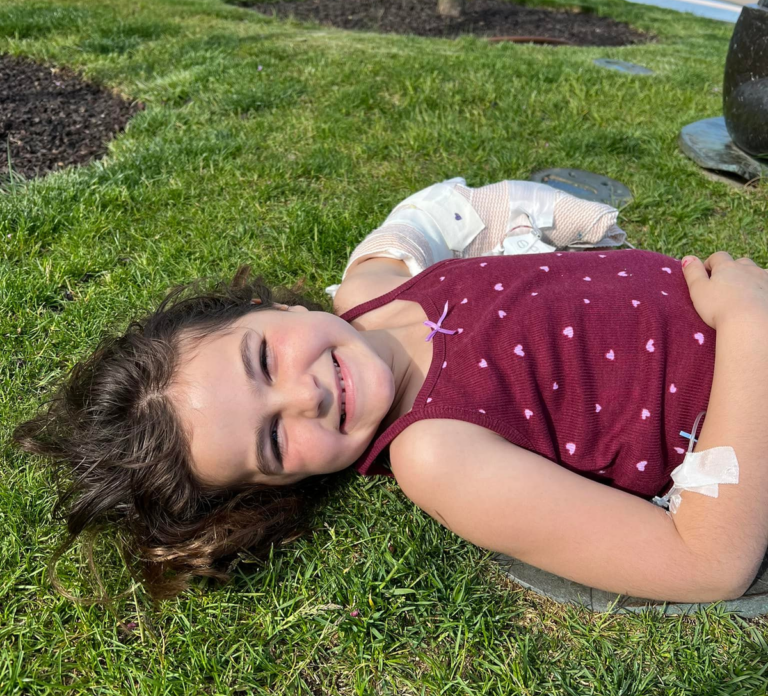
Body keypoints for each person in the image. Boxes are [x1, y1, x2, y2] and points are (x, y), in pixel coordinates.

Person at [13, 178, 768, 606]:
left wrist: (572, 217)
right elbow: (706, 561)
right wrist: (747, 326)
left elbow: (436, 216)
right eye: (274, 440)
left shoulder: (372, 291)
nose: (302, 396)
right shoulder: (437, 453)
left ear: (275, 308)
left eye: (264, 358)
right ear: (284, 485)